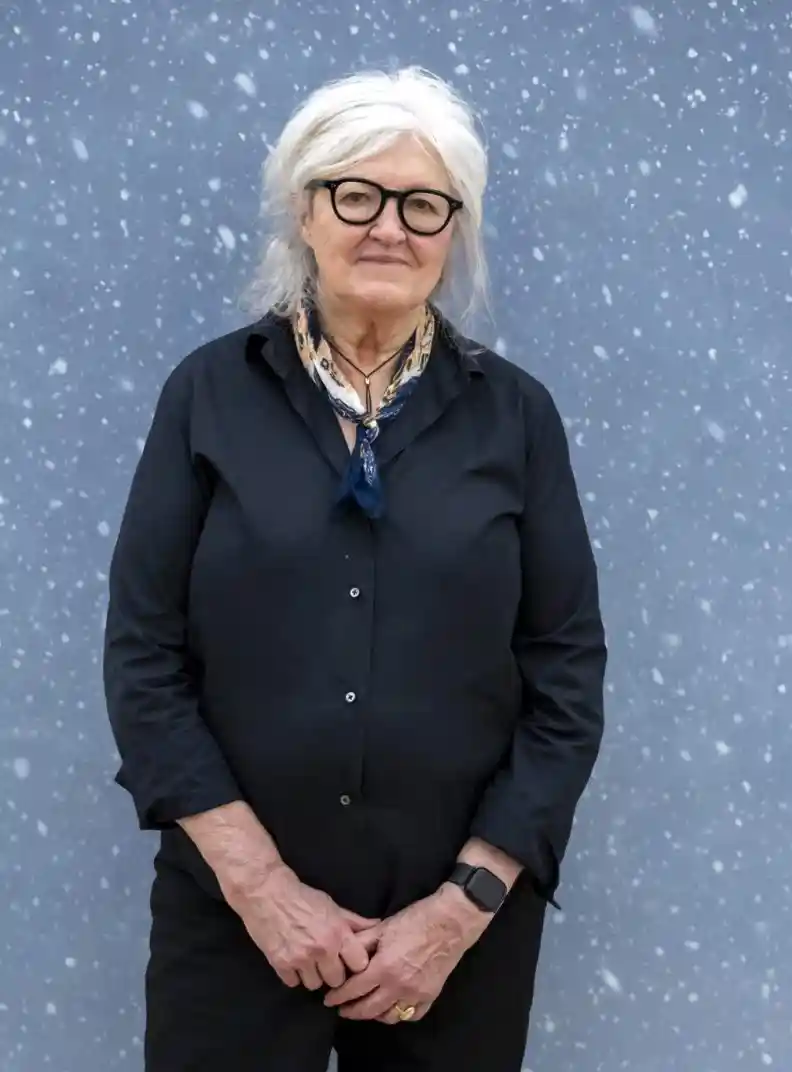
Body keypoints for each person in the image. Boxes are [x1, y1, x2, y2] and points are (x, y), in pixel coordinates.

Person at [102, 66, 607, 1072]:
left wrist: (460, 908)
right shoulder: (209, 395)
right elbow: (144, 658)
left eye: (422, 204)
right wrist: (262, 889)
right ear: (305, 212)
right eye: (356, 195)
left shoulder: (514, 417)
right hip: (233, 917)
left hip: (455, 937)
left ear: (453, 229)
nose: (389, 228)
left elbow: (565, 677)